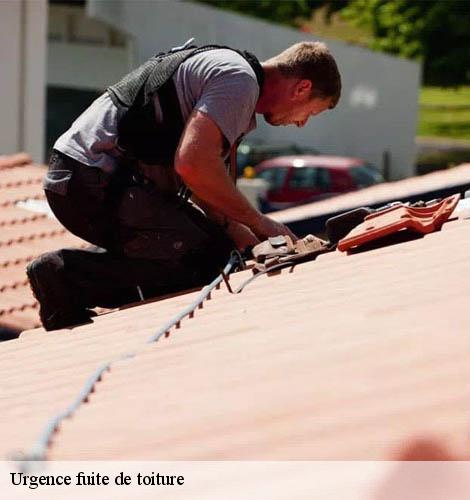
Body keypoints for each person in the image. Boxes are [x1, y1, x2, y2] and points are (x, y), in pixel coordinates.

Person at [27, 40, 341, 331]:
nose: (301, 123)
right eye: (310, 113)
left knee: (220, 248)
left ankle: (71, 275)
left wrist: (241, 233)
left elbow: (209, 185)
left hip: (89, 180)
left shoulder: (236, 80)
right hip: (89, 181)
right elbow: (193, 165)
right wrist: (259, 222)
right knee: (204, 260)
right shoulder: (238, 80)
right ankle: (62, 277)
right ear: (302, 88)